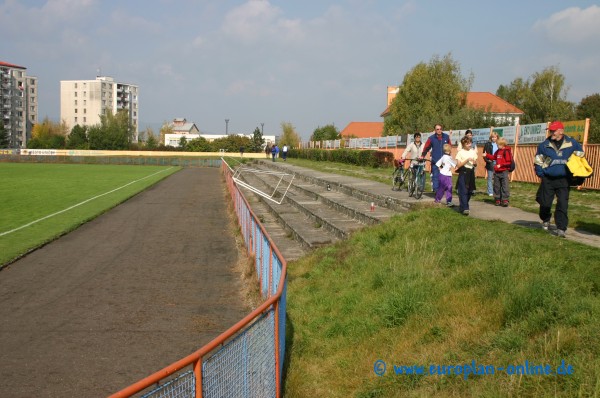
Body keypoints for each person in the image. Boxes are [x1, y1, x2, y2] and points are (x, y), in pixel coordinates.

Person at [534, 120, 584, 238]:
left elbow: (580, 157)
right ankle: (546, 218)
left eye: (553, 131)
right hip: (548, 179)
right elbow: (538, 160)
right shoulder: (544, 145)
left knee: (562, 204)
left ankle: (561, 228)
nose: (551, 133)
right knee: (545, 203)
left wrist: (575, 171)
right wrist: (541, 173)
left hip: (564, 179)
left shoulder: (572, 143)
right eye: (550, 131)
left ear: (561, 131)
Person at [420, 124, 451, 193]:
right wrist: (423, 155)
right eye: (437, 129)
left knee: (444, 177)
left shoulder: (446, 137)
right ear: (435, 130)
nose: (439, 130)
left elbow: (449, 147)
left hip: (444, 162)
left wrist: (449, 157)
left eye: (440, 129)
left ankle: (442, 190)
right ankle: (437, 191)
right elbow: (426, 148)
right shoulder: (431, 138)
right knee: (436, 177)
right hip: (435, 161)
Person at [485, 137, 512, 207]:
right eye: (497, 145)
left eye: (498, 145)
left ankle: (505, 199)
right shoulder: (498, 151)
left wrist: (501, 165)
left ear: (503, 145)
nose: (497, 146)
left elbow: (509, 162)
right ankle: (497, 199)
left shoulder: (506, 151)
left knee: (505, 186)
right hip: (497, 171)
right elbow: (494, 157)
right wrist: (487, 155)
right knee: (496, 186)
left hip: (504, 171)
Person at [455, 136, 478, 215]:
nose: (469, 145)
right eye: (467, 143)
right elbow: (458, 165)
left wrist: (474, 163)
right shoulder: (460, 152)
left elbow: (475, 164)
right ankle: (465, 208)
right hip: (463, 172)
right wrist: (467, 160)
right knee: (463, 191)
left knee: (470, 191)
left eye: (470, 143)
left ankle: (463, 205)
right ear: (463, 144)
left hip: (471, 172)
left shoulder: (473, 151)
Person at [483, 132, 499, 196]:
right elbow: (484, 153)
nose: (493, 138)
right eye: (492, 137)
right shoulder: (487, 144)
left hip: (497, 162)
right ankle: (490, 191)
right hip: (490, 162)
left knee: (496, 178)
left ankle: (496, 190)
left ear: (497, 137)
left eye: (495, 137)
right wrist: (487, 160)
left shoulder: (499, 144)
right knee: (490, 177)